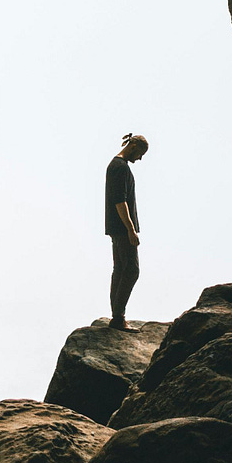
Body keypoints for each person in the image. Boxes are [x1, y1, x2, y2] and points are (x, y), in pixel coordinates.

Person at [104, 133, 148, 330]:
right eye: (140, 153)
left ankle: (117, 315)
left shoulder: (117, 166)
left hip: (117, 228)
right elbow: (120, 201)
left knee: (120, 269)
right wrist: (131, 230)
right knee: (131, 270)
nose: (140, 159)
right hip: (122, 229)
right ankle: (118, 317)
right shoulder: (119, 168)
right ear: (133, 147)